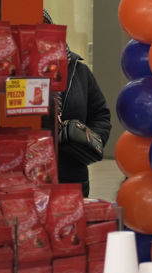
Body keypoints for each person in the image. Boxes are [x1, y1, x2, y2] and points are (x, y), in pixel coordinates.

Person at [41, 11, 111, 196]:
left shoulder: (78, 70)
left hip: (71, 173)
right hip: (23, 176)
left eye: (45, 27)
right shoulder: (14, 72)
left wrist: (90, 142)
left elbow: (100, 114)